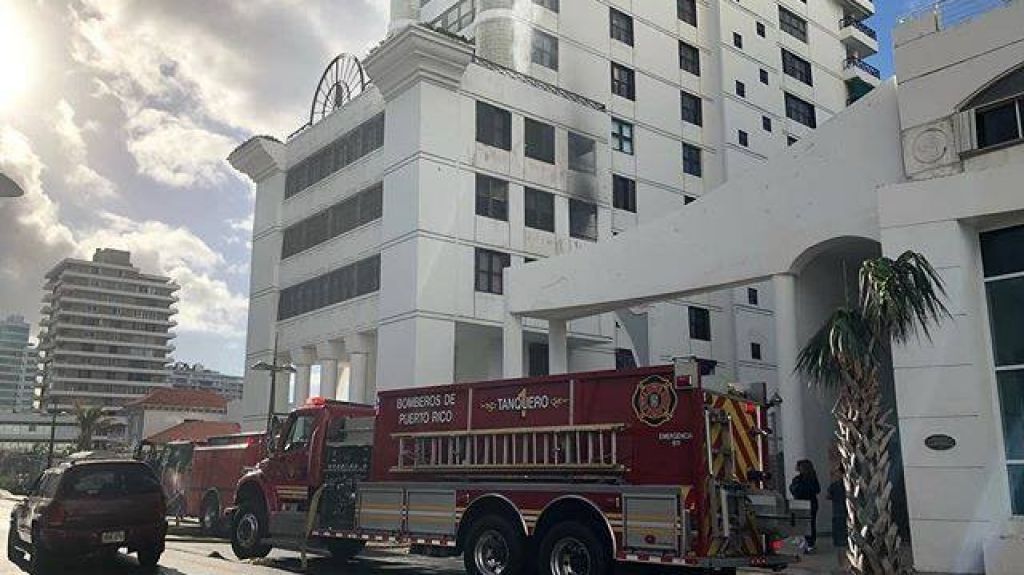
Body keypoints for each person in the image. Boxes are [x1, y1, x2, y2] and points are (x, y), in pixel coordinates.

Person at [790, 459, 821, 553]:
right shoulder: (813, 478)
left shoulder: (799, 479)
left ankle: (807, 543)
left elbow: (794, 490)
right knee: (811, 523)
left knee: (804, 524)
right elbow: (817, 490)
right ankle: (810, 543)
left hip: (802, 504)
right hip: (812, 503)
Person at [828, 466, 849, 568]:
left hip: (838, 514)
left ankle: (842, 565)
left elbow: (828, 496)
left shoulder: (835, 485)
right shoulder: (850, 485)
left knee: (840, 543)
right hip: (847, 514)